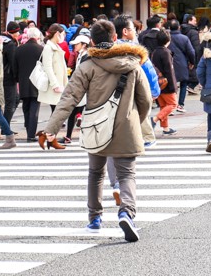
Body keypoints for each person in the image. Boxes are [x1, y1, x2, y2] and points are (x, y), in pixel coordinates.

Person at [41, 20, 152, 242]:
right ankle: (126, 213)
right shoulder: (132, 64)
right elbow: (146, 100)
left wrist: (51, 128)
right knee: (127, 173)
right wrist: (134, 121)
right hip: (126, 126)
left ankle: (94, 218)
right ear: (114, 38)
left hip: (96, 126)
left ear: (91, 41)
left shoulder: (87, 65)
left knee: (95, 172)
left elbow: (69, 98)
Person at [15, 26, 45, 142]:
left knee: (26, 108)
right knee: (34, 109)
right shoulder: (41, 50)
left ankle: (28, 130)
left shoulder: (19, 49)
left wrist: (17, 79)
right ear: (37, 37)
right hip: (37, 82)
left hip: (23, 82)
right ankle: (31, 134)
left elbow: (15, 67)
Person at [150, 29, 178, 136]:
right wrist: (173, 87)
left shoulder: (155, 52)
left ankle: (166, 129)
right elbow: (169, 71)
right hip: (167, 84)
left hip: (158, 83)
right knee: (172, 104)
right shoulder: (166, 52)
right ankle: (155, 119)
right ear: (168, 40)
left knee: (163, 106)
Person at [38, 24, 69, 114]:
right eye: (63, 34)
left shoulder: (55, 46)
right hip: (55, 84)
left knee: (57, 111)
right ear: (57, 34)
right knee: (57, 111)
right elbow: (48, 67)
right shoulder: (49, 47)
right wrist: (55, 85)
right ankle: (53, 127)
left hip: (59, 83)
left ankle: (55, 127)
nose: (64, 37)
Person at [166, 20, 195, 112]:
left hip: (168, 62)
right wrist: (192, 62)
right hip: (182, 63)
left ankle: (170, 105)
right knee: (184, 83)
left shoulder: (166, 38)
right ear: (179, 27)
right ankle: (180, 104)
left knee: (170, 83)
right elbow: (191, 52)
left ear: (169, 28)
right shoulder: (184, 38)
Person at [1, 21, 21, 126]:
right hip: (8, 77)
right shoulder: (10, 44)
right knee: (11, 102)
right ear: (15, 33)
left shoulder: (1, 40)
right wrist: (17, 77)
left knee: (14, 100)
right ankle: (5, 126)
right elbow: (13, 62)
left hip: (1, 75)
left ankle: (4, 124)